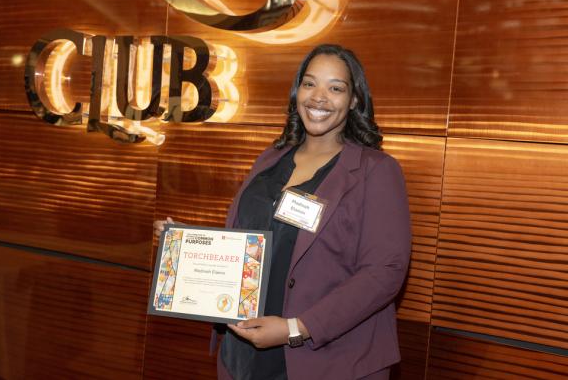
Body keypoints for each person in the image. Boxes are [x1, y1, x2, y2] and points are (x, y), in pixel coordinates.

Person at [156, 44, 411, 380]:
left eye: (335, 88)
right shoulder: (272, 158)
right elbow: (252, 239)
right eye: (309, 84)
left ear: (353, 100)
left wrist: (296, 328)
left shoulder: (375, 170)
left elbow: (384, 272)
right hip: (243, 356)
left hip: (325, 361)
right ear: (296, 92)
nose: (319, 97)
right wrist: (188, 244)